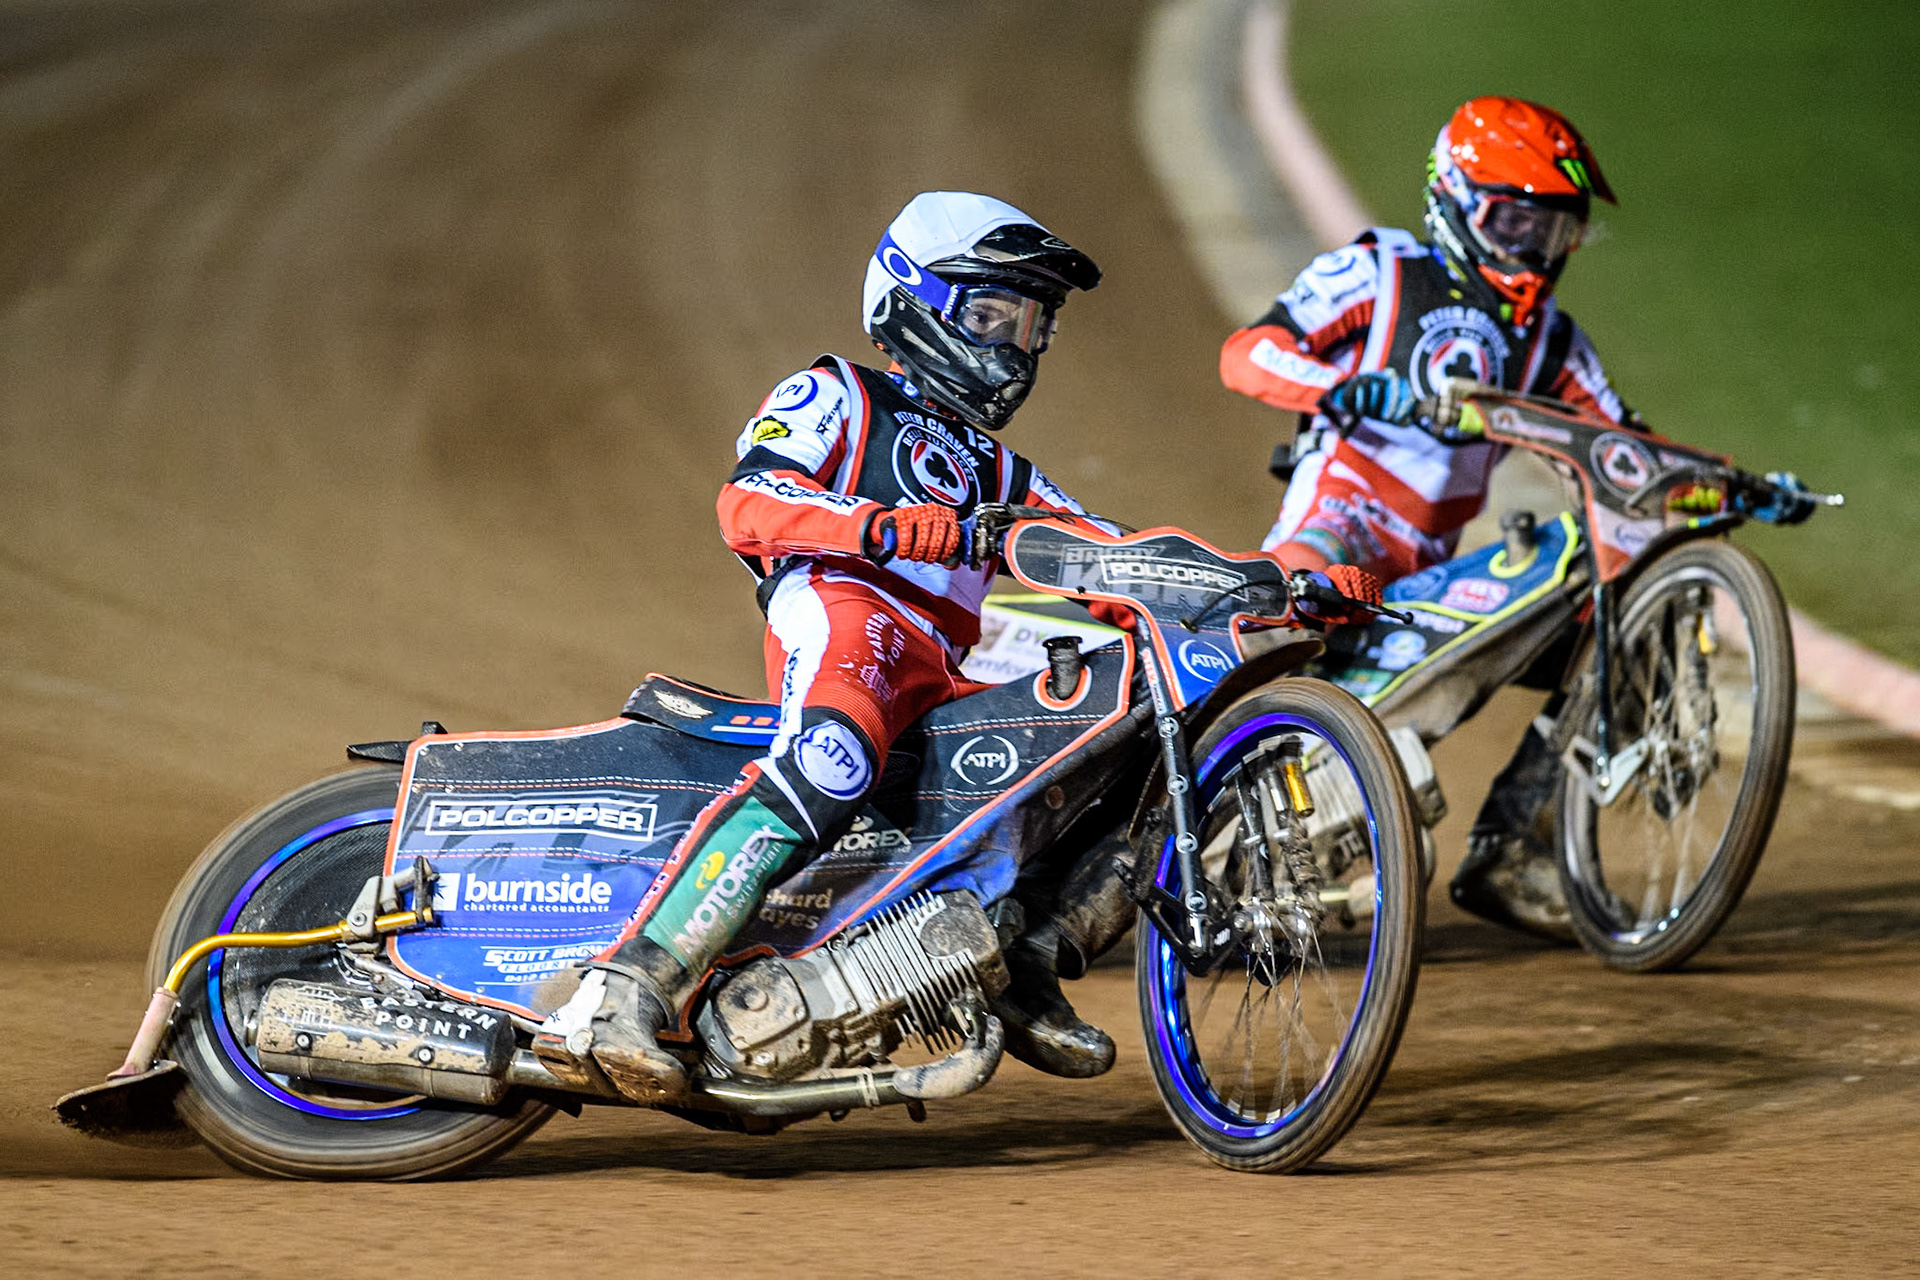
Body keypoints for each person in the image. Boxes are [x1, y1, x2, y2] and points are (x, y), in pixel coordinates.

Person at [577, 192, 1131, 1103]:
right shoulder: (836, 391)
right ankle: (630, 986)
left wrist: (1266, 584)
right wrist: (883, 528)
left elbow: (1112, 555)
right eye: (992, 317)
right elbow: (749, 501)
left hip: (943, 661)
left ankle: (1021, 954)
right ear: (914, 302)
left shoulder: (1004, 471)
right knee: (831, 757)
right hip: (847, 606)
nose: (1013, 348)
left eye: (1031, 328)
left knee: (1092, 745)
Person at [1219, 97, 1636, 938]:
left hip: (1435, 566)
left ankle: (1516, 846)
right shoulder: (1380, 270)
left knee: (1619, 625)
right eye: (1516, 222)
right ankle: (1189, 817)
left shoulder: (1551, 340)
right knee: (1271, 621)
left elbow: (1622, 449)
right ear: (1456, 199)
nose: (1534, 249)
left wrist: (1721, 487)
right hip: (1338, 524)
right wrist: (1344, 388)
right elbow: (1248, 354)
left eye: (1553, 229)